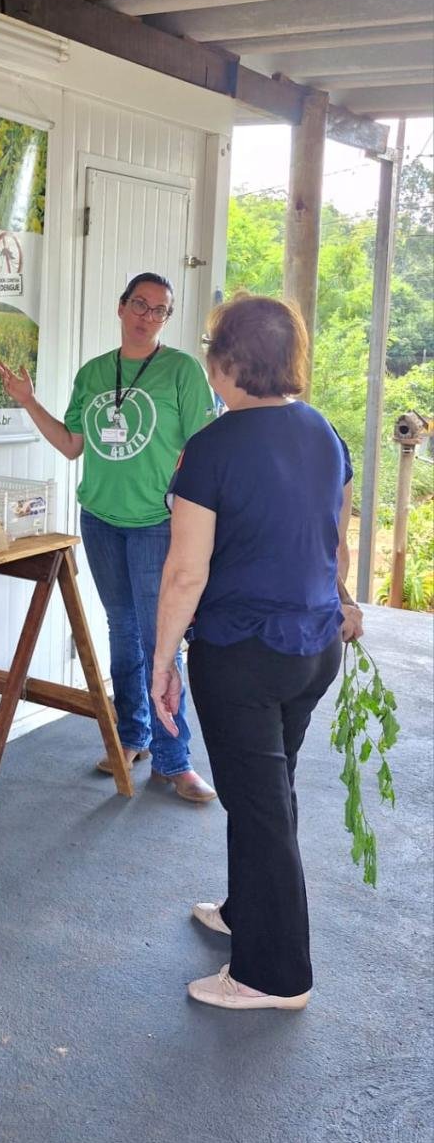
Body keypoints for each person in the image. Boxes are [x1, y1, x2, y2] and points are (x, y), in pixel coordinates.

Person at [150, 294, 364, 1011]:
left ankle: (274, 975)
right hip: (313, 648)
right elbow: (332, 536)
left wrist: (161, 660)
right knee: (269, 791)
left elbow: (186, 572)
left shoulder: (213, 447)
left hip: (241, 653)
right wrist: (345, 598)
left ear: (229, 361)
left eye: (212, 345)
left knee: (261, 803)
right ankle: (248, 910)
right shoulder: (324, 433)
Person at [0, 272, 216, 802]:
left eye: (159, 310)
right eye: (140, 304)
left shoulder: (182, 371)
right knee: (121, 631)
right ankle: (132, 736)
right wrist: (28, 401)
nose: (147, 316)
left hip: (154, 523)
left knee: (160, 640)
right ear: (121, 308)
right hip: (100, 519)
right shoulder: (95, 372)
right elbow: (73, 445)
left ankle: (174, 757)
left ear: (166, 319)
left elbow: (205, 446)